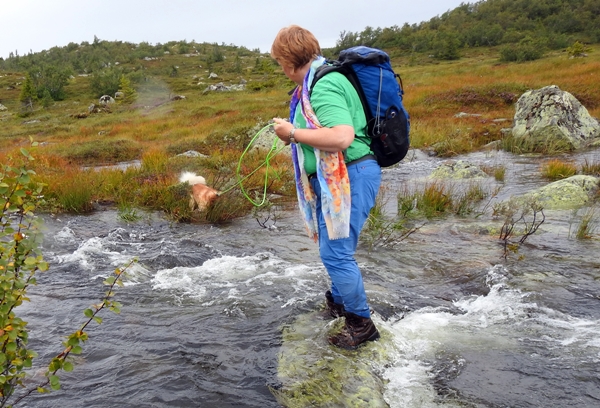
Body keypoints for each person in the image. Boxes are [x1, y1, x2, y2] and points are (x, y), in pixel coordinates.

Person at [271, 25, 381, 350]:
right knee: (333, 250)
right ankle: (339, 304)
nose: (281, 68)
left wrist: (292, 134)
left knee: (335, 252)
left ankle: (361, 325)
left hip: (352, 174)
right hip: (336, 178)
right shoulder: (312, 85)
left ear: (290, 62)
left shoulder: (324, 84)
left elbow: (341, 137)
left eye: (280, 62)